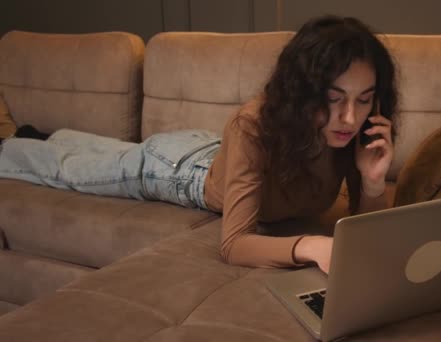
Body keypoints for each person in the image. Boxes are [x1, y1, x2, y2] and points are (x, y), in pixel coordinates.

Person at [0, 15, 398, 274]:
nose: (350, 117)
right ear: (305, 92)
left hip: (214, 151)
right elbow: (233, 245)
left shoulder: (351, 136)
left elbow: (366, 231)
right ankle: (11, 147)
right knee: (72, 171)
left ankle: (42, 136)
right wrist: (309, 245)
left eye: (364, 99)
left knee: (111, 150)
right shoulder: (254, 124)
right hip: (178, 169)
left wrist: (374, 181)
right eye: (333, 98)